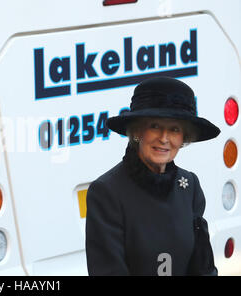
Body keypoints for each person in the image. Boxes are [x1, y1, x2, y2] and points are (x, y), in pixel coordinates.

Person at [85, 77, 219, 276]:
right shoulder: (107, 192)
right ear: (137, 131)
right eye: (155, 126)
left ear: (184, 138)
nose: (164, 138)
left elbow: (203, 268)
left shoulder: (190, 187)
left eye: (174, 129)